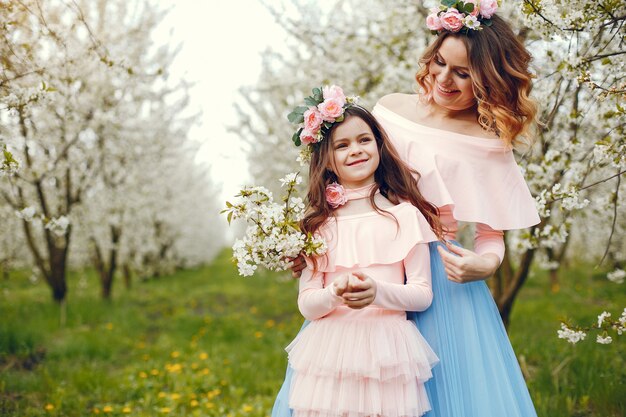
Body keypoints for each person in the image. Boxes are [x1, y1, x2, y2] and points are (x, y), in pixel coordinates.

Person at [274, 3, 540, 417]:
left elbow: (491, 235)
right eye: (439, 62)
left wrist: (485, 265)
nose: (443, 79)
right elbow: (344, 177)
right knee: (355, 387)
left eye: (463, 73)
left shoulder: (488, 142)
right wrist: (311, 244)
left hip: (440, 278)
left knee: (444, 394)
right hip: (370, 263)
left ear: (488, 79)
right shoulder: (391, 108)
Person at [282, 100, 445, 416]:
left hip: (388, 352)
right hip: (330, 352)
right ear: (327, 160)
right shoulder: (319, 226)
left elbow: (422, 294)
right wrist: (333, 295)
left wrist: (376, 293)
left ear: (379, 146)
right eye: (342, 145)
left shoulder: (404, 217)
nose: (355, 149)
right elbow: (307, 304)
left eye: (364, 139)